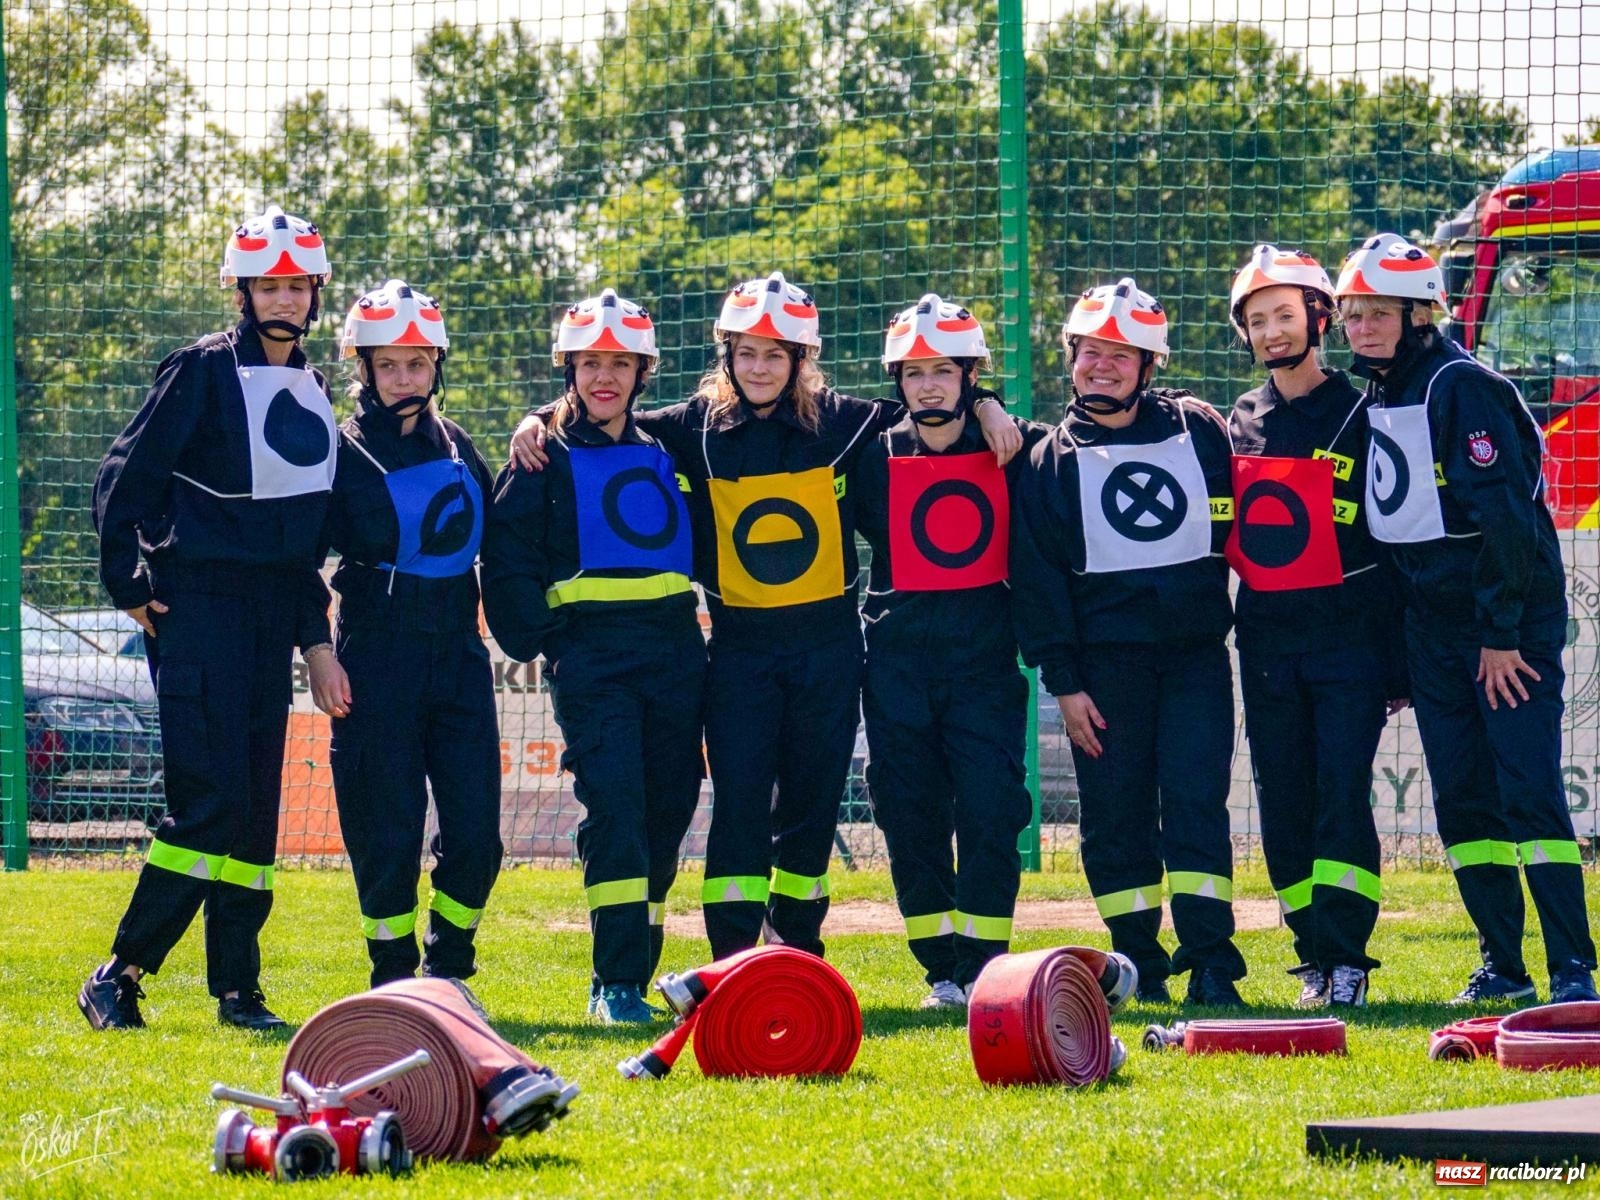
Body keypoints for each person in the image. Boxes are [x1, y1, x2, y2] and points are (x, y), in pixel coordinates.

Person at [509, 272, 1020, 963]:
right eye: (746, 353)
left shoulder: (844, 422)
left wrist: (987, 402)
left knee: (810, 810)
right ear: (727, 357)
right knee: (741, 808)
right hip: (741, 654)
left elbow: (927, 401)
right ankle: (729, 961)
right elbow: (602, 411)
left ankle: (799, 952)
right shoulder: (692, 428)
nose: (758, 368)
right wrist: (537, 417)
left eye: (775, 355)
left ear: (800, 361)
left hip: (830, 652)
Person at [82, 204, 336, 1031]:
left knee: (256, 811)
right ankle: (117, 974)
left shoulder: (315, 388)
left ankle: (239, 989)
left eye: (297, 285)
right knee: (210, 804)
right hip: (197, 610)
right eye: (268, 283)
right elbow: (123, 476)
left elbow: (301, 540)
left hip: (270, 618)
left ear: (315, 294)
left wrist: (315, 637)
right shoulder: (196, 371)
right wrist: (126, 579)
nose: (283, 299)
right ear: (240, 289)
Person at [1336, 232, 1598, 1005]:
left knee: (1529, 794)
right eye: (1353, 315)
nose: (1361, 328)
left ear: (1421, 314)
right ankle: (1503, 967)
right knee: (1463, 802)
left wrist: (1499, 636)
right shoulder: (1380, 393)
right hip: (1432, 630)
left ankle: (1574, 970)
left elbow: (1511, 529)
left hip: (1501, 626)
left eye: (1378, 314)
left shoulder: (1462, 386)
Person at [1010, 277, 1247, 1007]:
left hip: (1194, 661)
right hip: (1102, 675)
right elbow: (1039, 579)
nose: (1101, 366)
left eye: (1122, 353)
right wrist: (1065, 683)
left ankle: (1211, 961)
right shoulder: (1047, 460)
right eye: (1089, 352)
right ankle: (1137, 961)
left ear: (1150, 366)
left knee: (1197, 806)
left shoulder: (1199, 429)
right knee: (1114, 819)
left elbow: (1234, 521)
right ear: (1070, 359)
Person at [482, 289, 705, 1023]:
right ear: (568, 369)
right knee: (615, 808)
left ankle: (636, 968)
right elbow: (506, 560)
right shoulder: (541, 456)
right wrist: (551, 642)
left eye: (618, 362)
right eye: (588, 363)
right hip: (594, 666)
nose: (603, 376)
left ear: (643, 371)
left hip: (676, 658)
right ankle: (613, 982)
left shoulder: (670, 448)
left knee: (668, 813)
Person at [853, 295, 1050, 1007]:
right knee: (909, 812)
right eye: (913, 373)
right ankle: (939, 969)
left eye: (944, 370)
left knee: (994, 809)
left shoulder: (1017, 449)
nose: (928, 385)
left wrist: (998, 410)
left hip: (985, 669)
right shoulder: (870, 453)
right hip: (897, 667)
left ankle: (984, 965)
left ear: (971, 376)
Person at [1225, 245, 1408, 1008]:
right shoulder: (1239, 419)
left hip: (1349, 643)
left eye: (1285, 315)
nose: (1272, 331)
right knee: (1283, 800)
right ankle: (1310, 955)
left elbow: (1400, 540)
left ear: (1319, 318)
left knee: (1340, 793)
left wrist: (1398, 663)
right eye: (1257, 320)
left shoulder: (1368, 410)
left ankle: (1349, 958)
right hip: (1266, 642)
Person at [307, 279, 502, 990]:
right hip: (375, 654)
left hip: (457, 654)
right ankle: (393, 977)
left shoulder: (461, 446)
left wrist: (536, 426)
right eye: (387, 365)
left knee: (478, 835)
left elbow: (506, 535)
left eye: (416, 364)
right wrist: (317, 650)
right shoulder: (337, 455)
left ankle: (449, 967)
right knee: (387, 835)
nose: (403, 378)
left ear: (437, 366)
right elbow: (301, 561)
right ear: (363, 369)